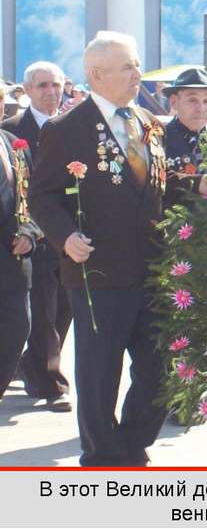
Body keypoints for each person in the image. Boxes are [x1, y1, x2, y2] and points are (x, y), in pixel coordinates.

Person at [28, 31, 207, 466]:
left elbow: (155, 187)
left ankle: (133, 442)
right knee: (100, 375)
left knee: (159, 371)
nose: (139, 73)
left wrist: (197, 185)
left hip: (153, 269)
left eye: (137, 64)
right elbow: (41, 196)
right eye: (129, 66)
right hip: (98, 270)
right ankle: (102, 457)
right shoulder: (67, 129)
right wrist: (65, 237)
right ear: (98, 75)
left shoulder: (147, 123)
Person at [1, 62, 73, 411]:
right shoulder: (13, 131)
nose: (50, 92)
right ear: (27, 91)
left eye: (56, 85)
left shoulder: (76, 127)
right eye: (43, 85)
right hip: (35, 236)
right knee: (42, 310)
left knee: (65, 307)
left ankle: (33, 363)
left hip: (72, 233)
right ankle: (50, 381)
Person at [0, 129, 40, 399]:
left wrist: (30, 232)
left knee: (17, 328)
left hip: (12, 262)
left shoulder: (14, 144)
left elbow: (35, 198)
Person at [162, 67, 207, 179]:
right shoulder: (158, 139)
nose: (201, 108)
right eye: (192, 100)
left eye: (206, 101)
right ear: (174, 102)